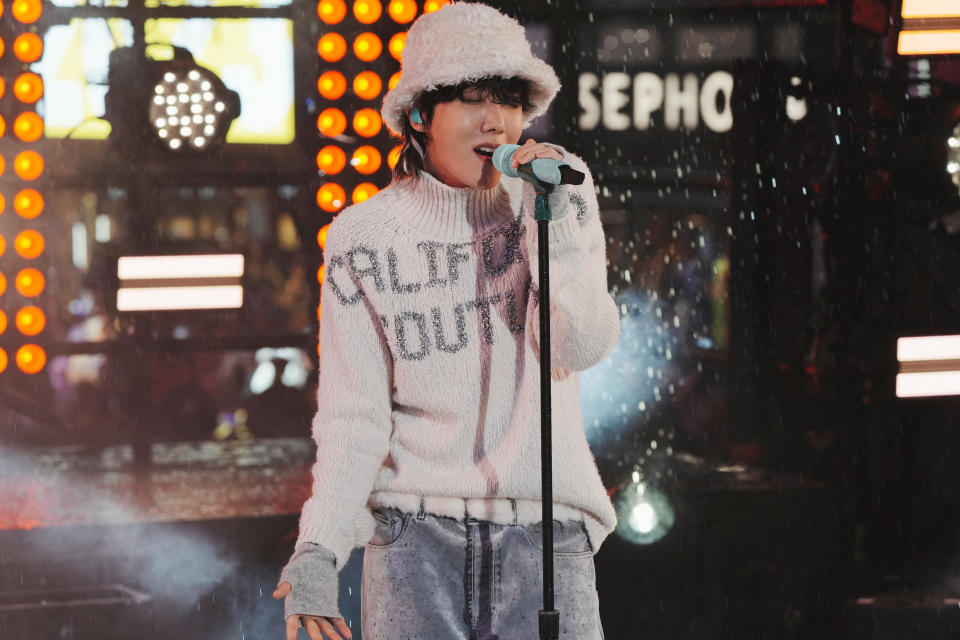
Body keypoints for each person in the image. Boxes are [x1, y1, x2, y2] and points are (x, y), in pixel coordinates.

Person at [273, 3, 621, 639]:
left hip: (545, 537)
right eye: (471, 98)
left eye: (511, 100)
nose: (497, 120)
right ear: (418, 116)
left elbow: (580, 342)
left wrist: (557, 217)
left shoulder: (554, 198)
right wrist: (320, 547)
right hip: (415, 539)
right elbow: (355, 416)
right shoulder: (362, 236)